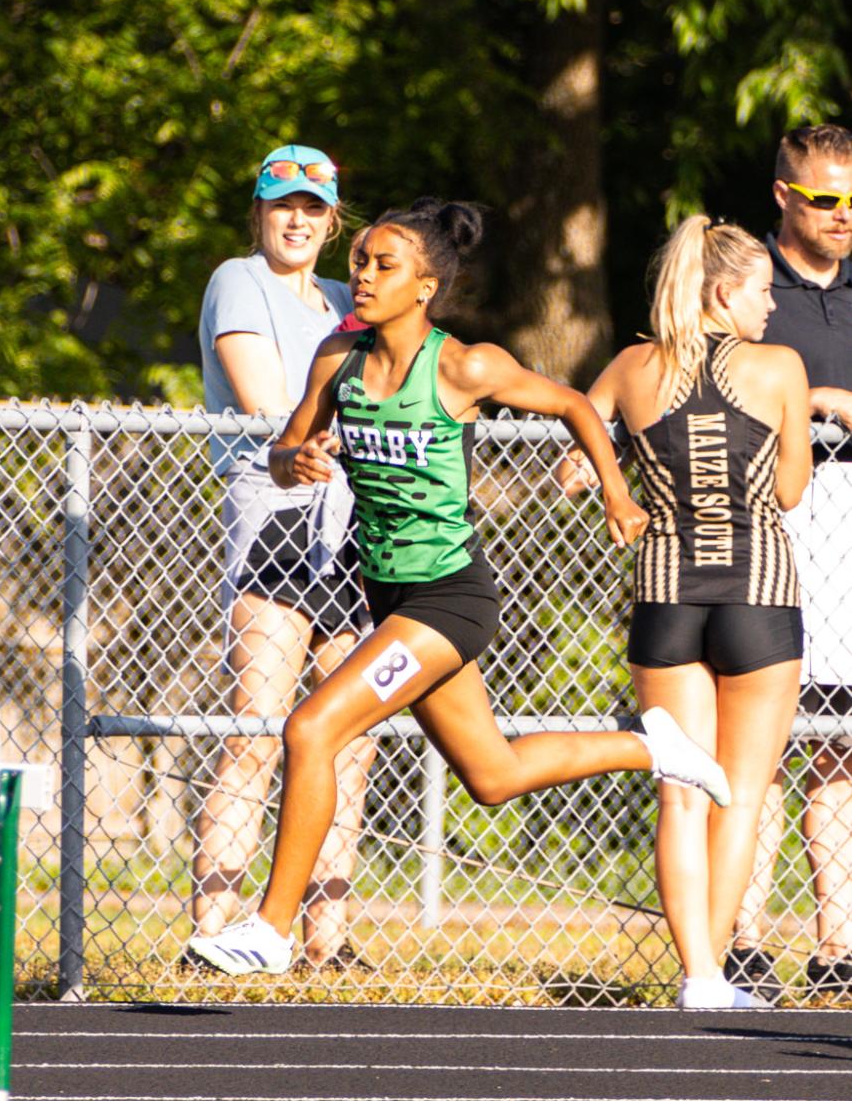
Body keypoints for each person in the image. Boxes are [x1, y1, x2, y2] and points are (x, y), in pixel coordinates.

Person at [185, 197, 733, 983]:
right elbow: (285, 447)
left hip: (451, 595)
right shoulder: (337, 362)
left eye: (384, 265)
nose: (363, 276)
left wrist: (616, 491)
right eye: (361, 261)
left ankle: (271, 928)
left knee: (309, 729)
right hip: (388, 596)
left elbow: (577, 404)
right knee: (493, 776)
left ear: (425, 286)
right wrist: (291, 464)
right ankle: (656, 747)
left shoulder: (464, 365)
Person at [568, 216, 810, 1009]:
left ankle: (699, 972)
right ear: (722, 291)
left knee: (679, 792)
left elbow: (576, 442)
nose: (771, 308)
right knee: (738, 793)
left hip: (667, 591)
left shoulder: (634, 365)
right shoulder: (779, 368)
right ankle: (709, 983)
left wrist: (610, 480)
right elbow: (788, 492)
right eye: (763, 291)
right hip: (758, 594)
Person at [191, 144, 375, 968]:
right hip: (276, 511)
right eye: (281, 205)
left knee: (347, 737)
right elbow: (273, 409)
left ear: (333, 221)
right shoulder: (239, 279)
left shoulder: (348, 301)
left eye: (312, 207)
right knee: (258, 729)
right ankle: (214, 929)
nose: (296, 219)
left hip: (353, 520)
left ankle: (326, 942)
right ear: (259, 212)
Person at [727, 123, 852, 997]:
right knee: (760, 737)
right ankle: (739, 936)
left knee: (842, 748)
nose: (843, 216)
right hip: (765, 520)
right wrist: (803, 400)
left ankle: (838, 947)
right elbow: (695, 377)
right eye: (826, 197)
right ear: (783, 195)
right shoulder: (741, 282)